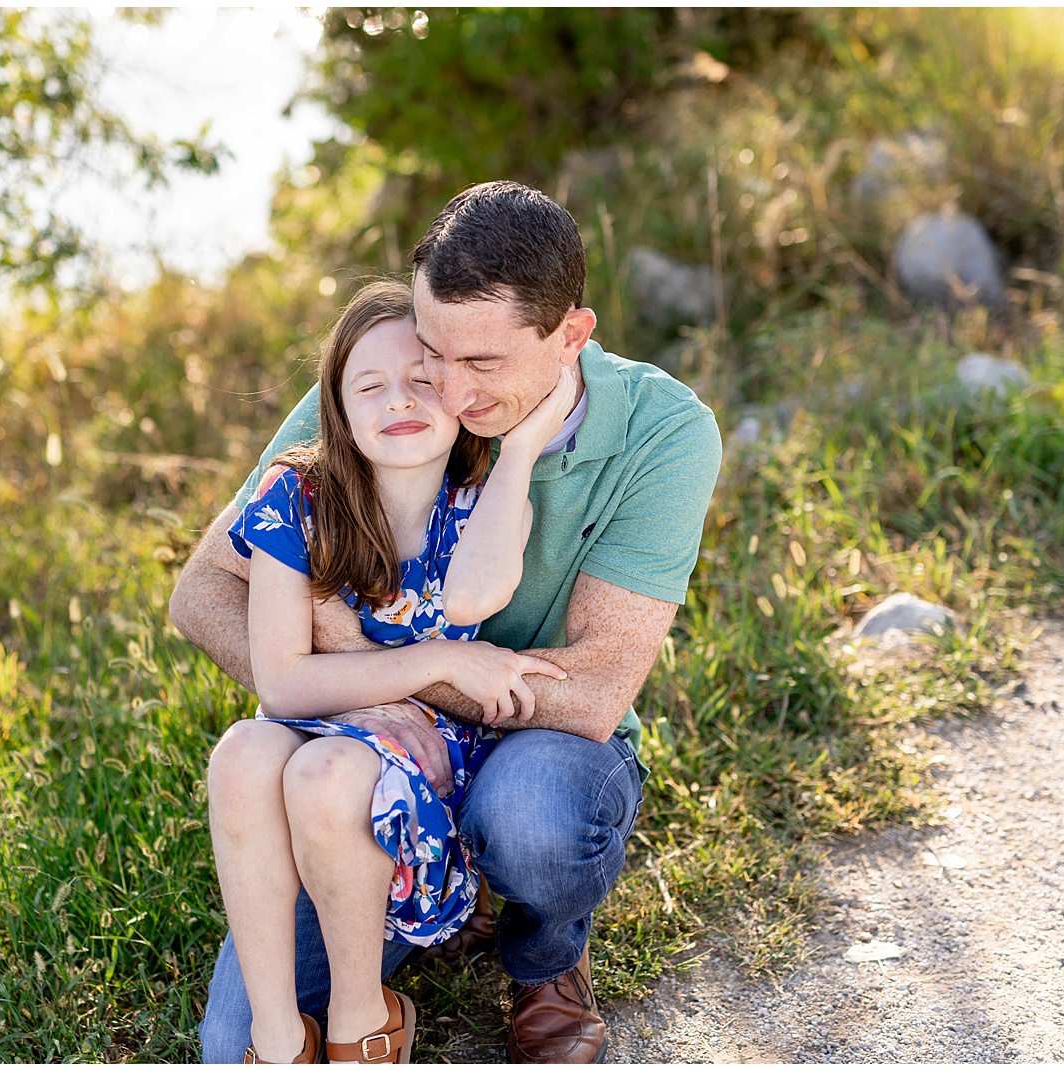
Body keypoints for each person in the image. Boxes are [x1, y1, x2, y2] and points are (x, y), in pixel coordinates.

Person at [171, 181, 722, 1064]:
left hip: (536, 741)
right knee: (237, 1036)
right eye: (435, 349)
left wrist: (387, 669)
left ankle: (542, 959)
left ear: (570, 336)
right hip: (361, 753)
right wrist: (354, 698)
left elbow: (589, 695)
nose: (447, 392)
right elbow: (203, 593)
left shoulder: (665, 432)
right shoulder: (387, 380)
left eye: (482, 365)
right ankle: (414, 921)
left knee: (537, 816)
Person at [208, 279, 578, 1063]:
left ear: (457, 392)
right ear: (335, 412)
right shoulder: (295, 497)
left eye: (422, 377)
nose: (399, 399)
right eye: (368, 385)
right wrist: (444, 657)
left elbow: (477, 590)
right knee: (241, 752)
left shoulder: (482, 502)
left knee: (325, 775)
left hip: (427, 752)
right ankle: (277, 1040)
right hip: (318, 714)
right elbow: (280, 684)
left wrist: (521, 444)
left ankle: (358, 1018)